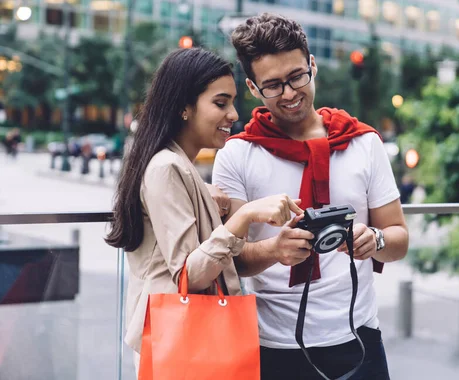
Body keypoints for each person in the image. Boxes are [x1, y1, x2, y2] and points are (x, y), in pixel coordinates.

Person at [212, 13, 409, 380]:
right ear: (253, 88)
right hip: (271, 345)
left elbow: (398, 239)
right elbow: (230, 261)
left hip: (359, 338)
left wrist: (375, 239)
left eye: (296, 77)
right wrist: (274, 251)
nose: (289, 93)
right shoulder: (236, 156)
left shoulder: (363, 143)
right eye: (272, 85)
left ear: (313, 66)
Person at [104, 47, 303, 376]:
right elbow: (188, 275)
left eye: (232, 102)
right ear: (184, 107)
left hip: (182, 335)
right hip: (179, 340)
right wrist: (243, 216)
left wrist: (205, 196)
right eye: (220, 103)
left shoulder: (176, 164)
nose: (233, 114)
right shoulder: (166, 166)